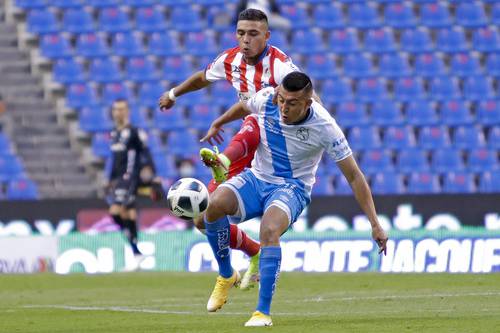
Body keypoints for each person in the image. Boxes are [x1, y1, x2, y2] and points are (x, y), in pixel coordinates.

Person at [200, 72, 389, 326]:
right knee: (212, 206)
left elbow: (354, 176)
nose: (284, 107)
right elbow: (244, 106)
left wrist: (375, 223)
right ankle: (226, 274)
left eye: (292, 103)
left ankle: (262, 312)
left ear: (308, 103)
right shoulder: (267, 98)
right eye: (282, 100)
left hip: (292, 187)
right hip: (257, 178)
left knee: (268, 230)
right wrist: (219, 122)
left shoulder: (325, 126)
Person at [158, 8, 303, 289]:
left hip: (278, 147)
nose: (245, 40)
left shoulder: (281, 66)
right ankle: (253, 252)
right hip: (250, 140)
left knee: (255, 124)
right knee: (202, 218)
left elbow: (309, 95)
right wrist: (174, 93)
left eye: (252, 34)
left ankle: (225, 160)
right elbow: (203, 78)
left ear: (267, 36)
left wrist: (313, 122)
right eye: (240, 33)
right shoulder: (230, 60)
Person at [106, 99, 158, 269]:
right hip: (118, 179)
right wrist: (110, 179)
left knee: (115, 212)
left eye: (121, 109)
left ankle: (136, 251)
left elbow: (146, 151)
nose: (118, 112)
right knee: (128, 215)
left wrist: (152, 172)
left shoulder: (134, 132)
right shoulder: (114, 133)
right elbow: (115, 160)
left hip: (129, 177)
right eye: (115, 109)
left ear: (127, 111)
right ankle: (136, 253)